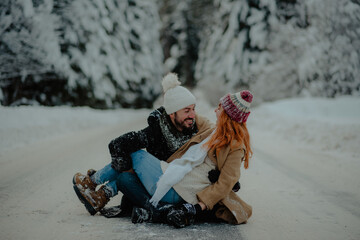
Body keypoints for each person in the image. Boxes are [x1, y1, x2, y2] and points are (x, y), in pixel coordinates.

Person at [72, 72, 214, 216]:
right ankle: (99, 191)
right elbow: (117, 144)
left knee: (136, 156)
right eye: (187, 110)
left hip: (176, 187)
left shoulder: (195, 127)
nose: (192, 115)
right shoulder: (156, 131)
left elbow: (216, 136)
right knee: (130, 164)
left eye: (193, 109)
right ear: (172, 113)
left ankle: (92, 182)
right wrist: (127, 167)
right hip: (158, 181)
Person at [130, 90, 254, 228]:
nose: (215, 111)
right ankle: (159, 210)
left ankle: (156, 210)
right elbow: (188, 114)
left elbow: (224, 184)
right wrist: (167, 108)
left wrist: (196, 208)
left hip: (184, 189)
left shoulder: (236, 147)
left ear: (226, 115)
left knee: (136, 155)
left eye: (219, 108)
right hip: (178, 177)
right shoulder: (214, 131)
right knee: (125, 179)